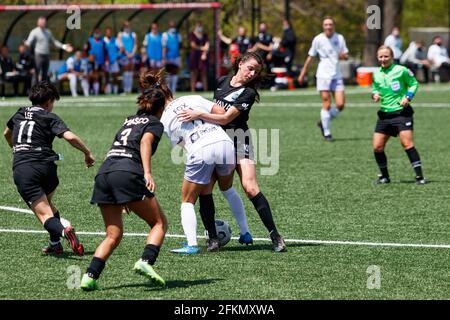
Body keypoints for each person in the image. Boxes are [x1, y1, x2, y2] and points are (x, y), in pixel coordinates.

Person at [177, 52, 286, 253]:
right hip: (216, 139)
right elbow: (213, 111)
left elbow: (226, 118)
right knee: (205, 187)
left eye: (256, 71)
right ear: (241, 63)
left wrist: (199, 114)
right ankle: (212, 238)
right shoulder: (222, 82)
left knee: (250, 187)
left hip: (238, 138)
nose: (252, 73)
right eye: (250, 68)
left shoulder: (248, 92)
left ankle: (275, 236)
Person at [80, 71, 168, 291]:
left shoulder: (128, 120)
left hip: (105, 173)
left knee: (113, 234)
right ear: (161, 107)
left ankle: (90, 276)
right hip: (127, 172)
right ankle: (146, 261)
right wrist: (147, 172)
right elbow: (145, 142)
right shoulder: (155, 123)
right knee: (159, 223)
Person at [150, 69, 251, 254]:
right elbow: (221, 112)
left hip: (201, 148)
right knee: (227, 189)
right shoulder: (193, 98)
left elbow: (182, 143)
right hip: (225, 142)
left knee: (187, 200)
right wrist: (201, 115)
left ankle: (191, 244)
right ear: (169, 92)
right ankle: (245, 232)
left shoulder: (163, 120)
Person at [3, 81, 95, 256]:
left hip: (25, 169)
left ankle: (64, 231)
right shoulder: (49, 116)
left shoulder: (20, 113)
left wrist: (15, 147)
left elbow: (6, 133)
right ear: (48, 102)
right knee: (48, 207)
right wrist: (87, 153)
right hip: (48, 168)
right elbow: (69, 137)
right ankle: (55, 244)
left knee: (44, 215)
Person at [371, 46, 425, 185]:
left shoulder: (401, 70)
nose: (383, 59)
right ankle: (385, 177)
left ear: (392, 57)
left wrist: (408, 97)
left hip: (401, 113)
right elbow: (375, 88)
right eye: (380, 57)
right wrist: (374, 95)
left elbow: (413, 84)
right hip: (384, 115)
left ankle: (420, 177)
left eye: (386, 56)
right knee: (377, 147)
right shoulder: (376, 73)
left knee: (406, 144)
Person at [297, 16, 349, 142]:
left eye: (330, 24)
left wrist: (343, 56)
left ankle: (323, 122)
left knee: (341, 105)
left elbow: (345, 55)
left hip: (336, 75)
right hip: (323, 75)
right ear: (323, 26)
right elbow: (311, 56)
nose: (328, 27)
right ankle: (327, 132)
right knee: (327, 103)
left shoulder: (340, 38)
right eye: (326, 24)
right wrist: (303, 72)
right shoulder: (318, 39)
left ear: (334, 26)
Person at [25, 16, 73, 83]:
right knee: (36, 73)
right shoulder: (34, 32)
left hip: (46, 55)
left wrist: (64, 46)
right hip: (38, 55)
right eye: (41, 22)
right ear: (38, 23)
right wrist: (26, 44)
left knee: (45, 74)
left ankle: (44, 91)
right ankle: (33, 91)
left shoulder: (48, 32)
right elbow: (29, 42)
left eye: (44, 22)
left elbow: (54, 42)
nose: (42, 23)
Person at [117, 21, 138, 94]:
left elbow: (135, 44)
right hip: (124, 55)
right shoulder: (120, 34)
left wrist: (132, 53)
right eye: (125, 26)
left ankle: (129, 89)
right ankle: (125, 89)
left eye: (128, 26)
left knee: (130, 72)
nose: (127, 27)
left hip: (132, 55)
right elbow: (121, 45)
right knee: (126, 71)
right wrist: (126, 53)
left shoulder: (133, 34)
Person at [162, 20, 182, 93]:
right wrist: (163, 57)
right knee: (168, 72)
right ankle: (168, 88)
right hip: (168, 57)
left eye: (173, 26)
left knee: (175, 72)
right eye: (171, 26)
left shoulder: (178, 35)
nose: (172, 28)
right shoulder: (165, 35)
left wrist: (180, 57)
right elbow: (164, 47)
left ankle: (174, 89)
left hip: (176, 56)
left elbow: (179, 46)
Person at [189, 22, 209, 92]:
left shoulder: (205, 35)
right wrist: (202, 48)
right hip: (194, 56)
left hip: (202, 56)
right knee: (194, 72)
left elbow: (207, 45)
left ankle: (205, 90)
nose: (200, 27)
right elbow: (193, 45)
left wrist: (204, 54)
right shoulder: (192, 35)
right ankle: (192, 90)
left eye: (201, 26)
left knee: (203, 73)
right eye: (198, 26)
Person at [86, 28, 107, 95]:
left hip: (101, 62)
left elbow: (105, 51)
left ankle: (99, 91)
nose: (97, 34)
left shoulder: (102, 41)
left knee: (100, 76)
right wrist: (89, 58)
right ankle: (91, 90)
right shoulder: (90, 41)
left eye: (98, 32)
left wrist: (106, 60)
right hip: (92, 62)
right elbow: (85, 51)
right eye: (96, 32)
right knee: (92, 76)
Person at [103, 27, 121, 95]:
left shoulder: (115, 40)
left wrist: (116, 55)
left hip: (114, 61)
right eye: (107, 32)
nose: (108, 33)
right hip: (106, 61)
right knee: (107, 76)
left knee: (115, 76)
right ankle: (108, 91)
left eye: (109, 32)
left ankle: (115, 91)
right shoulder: (103, 40)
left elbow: (121, 49)